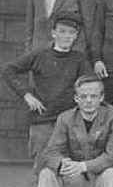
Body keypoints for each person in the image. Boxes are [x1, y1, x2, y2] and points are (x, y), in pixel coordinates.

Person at [2, 12, 90, 166]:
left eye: (71, 33)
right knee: (43, 169)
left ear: (76, 36)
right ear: (53, 33)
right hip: (43, 119)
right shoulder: (40, 55)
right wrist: (26, 95)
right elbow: (8, 70)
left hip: (69, 121)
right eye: (62, 32)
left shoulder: (79, 59)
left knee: (70, 169)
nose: (66, 36)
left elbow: (90, 85)